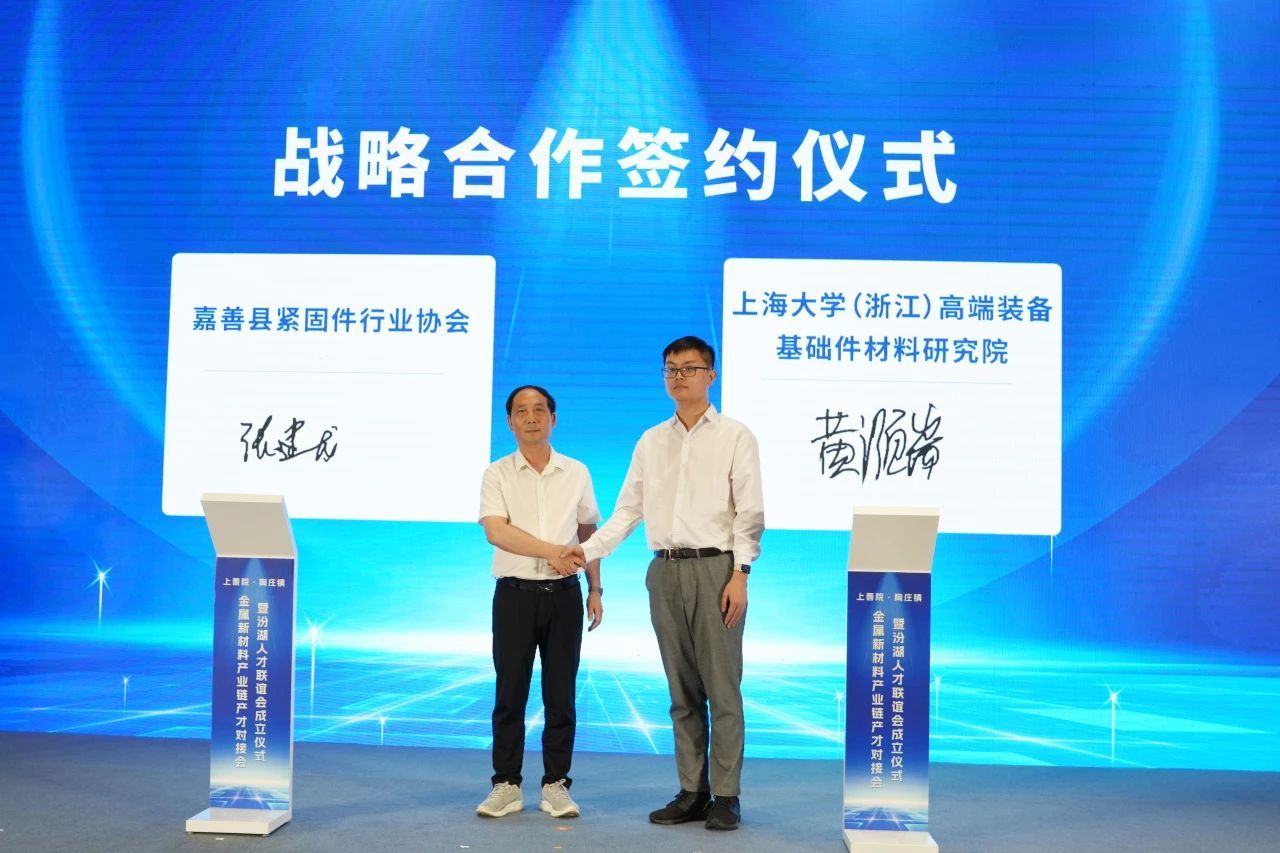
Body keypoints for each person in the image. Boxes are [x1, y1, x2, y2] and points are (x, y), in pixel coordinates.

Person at [568, 335, 764, 832]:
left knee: (723, 690)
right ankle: (692, 791)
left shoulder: (735, 436)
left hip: (716, 570)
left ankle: (726, 796)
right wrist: (584, 552)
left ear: (710, 375)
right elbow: (626, 513)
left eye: (689, 368)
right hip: (664, 571)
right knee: (681, 692)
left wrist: (740, 574)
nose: (679, 377)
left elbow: (750, 513)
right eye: (671, 369)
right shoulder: (651, 441)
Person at [475, 385, 603, 820]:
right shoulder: (497, 473)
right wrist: (551, 551)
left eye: (539, 410)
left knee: (560, 695)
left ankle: (556, 784)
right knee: (509, 693)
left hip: (564, 597)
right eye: (521, 411)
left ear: (553, 418)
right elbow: (496, 531)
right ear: (509, 421)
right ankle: (506, 784)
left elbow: (588, 534)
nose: (531, 417)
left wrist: (596, 588)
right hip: (514, 596)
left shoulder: (576, 471)